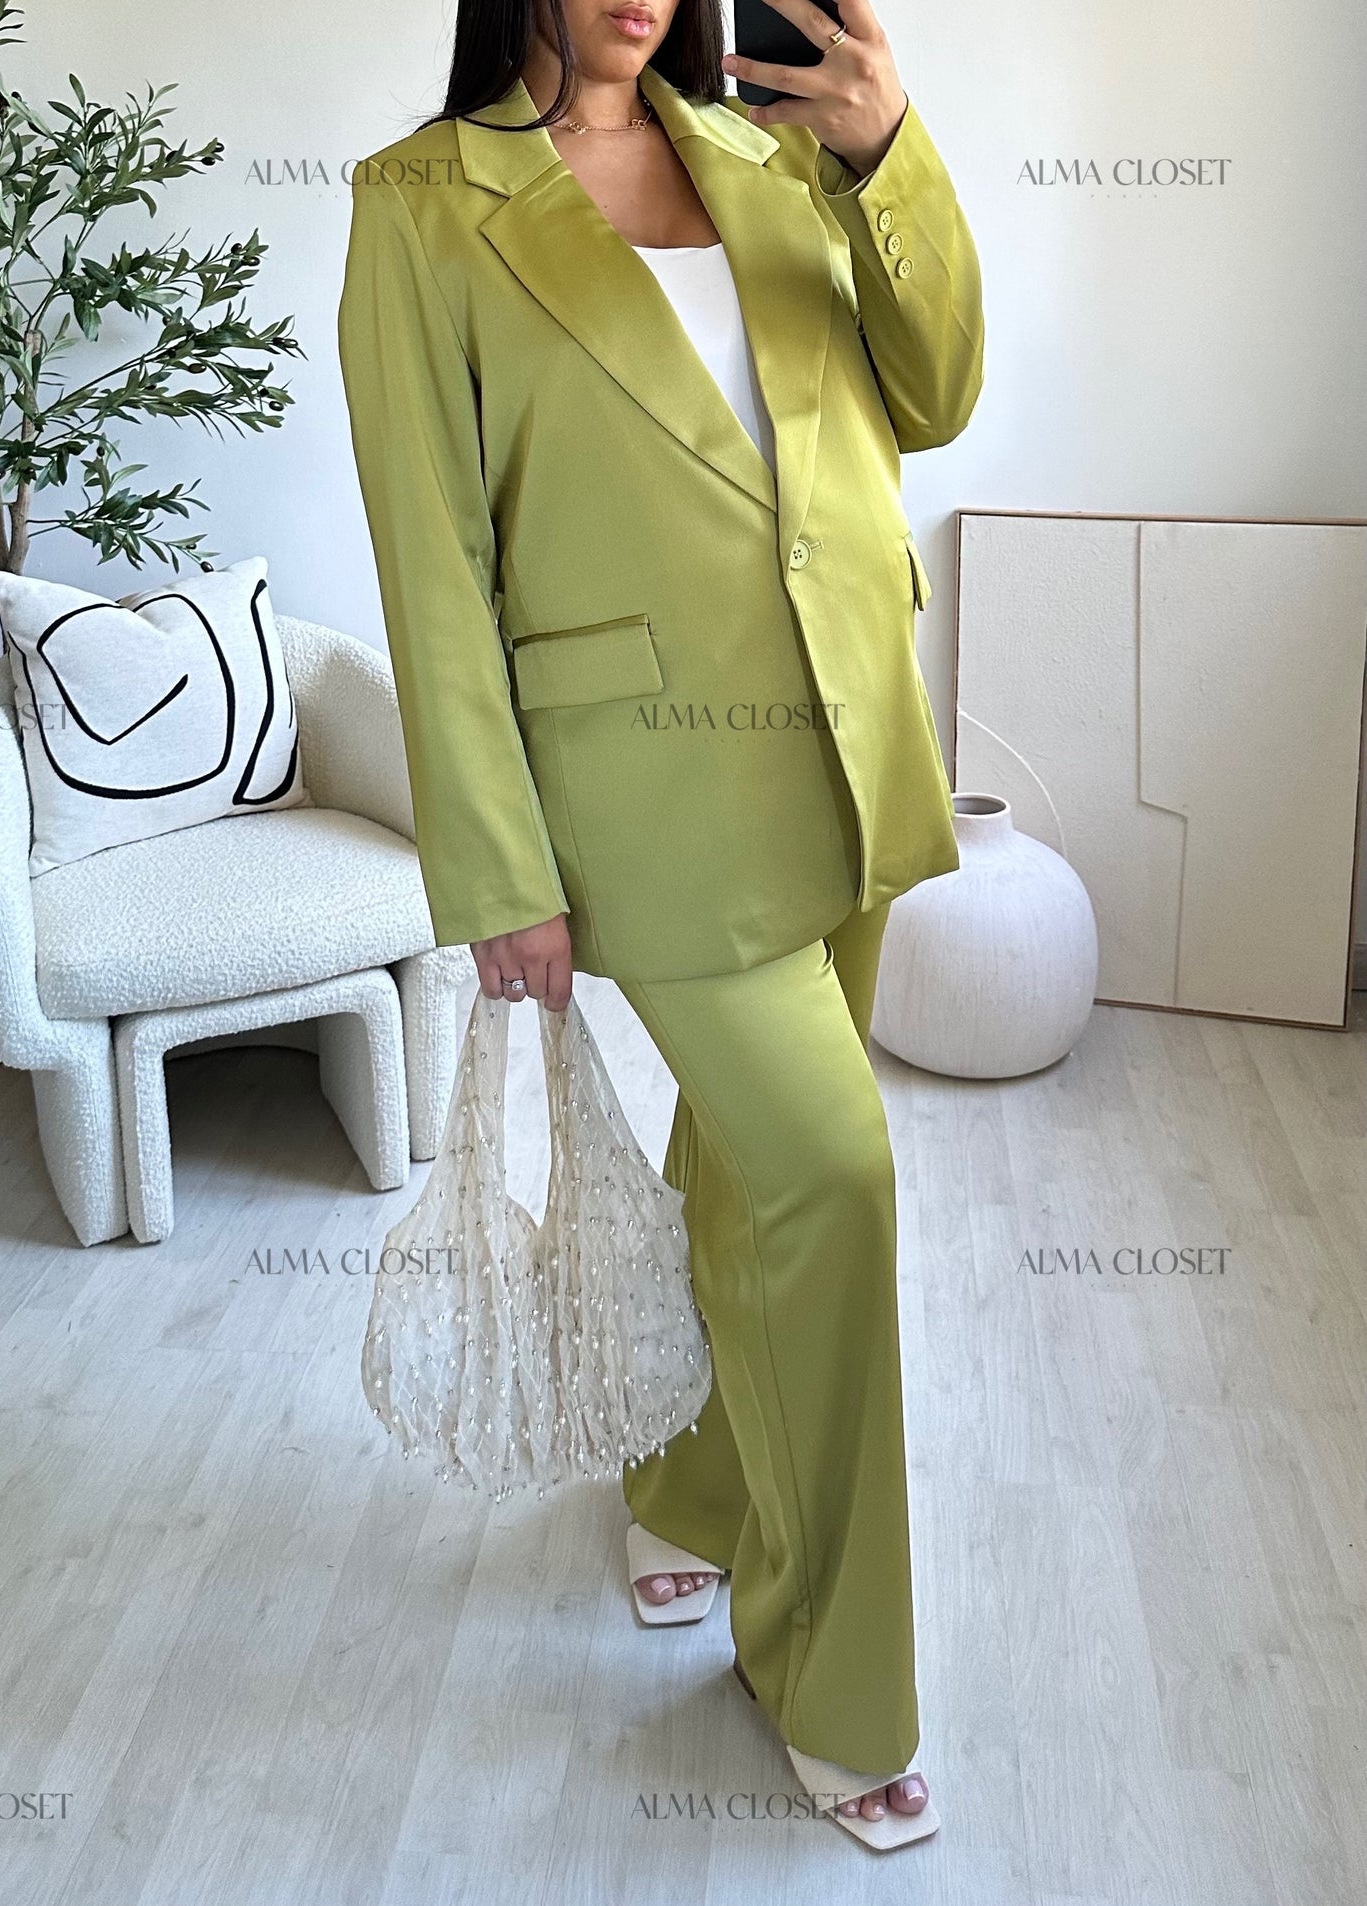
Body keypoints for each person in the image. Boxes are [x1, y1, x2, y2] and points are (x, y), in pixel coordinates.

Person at [338, 0, 983, 1851]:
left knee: (741, 1163)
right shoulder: (423, 205)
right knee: (832, 1177)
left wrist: (885, 152)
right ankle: (834, 1675)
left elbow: (933, 392)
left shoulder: (772, 154)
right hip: (650, 787)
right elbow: (433, 557)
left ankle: (688, 1488)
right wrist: (495, 869)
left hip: (848, 743)